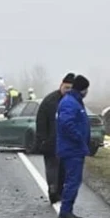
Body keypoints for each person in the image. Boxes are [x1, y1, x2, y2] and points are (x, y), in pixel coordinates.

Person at [56, 75, 91, 218]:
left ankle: (66, 211)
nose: (87, 92)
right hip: (72, 149)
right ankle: (65, 212)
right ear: (82, 89)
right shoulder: (70, 103)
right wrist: (79, 138)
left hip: (74, 148)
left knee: (72, 180)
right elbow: (67, 124)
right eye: (86, 89)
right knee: (72, 181)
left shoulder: (74, 101)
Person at [36, 73, 75, 204]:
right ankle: (53, 190)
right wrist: (43, 139)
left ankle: (59, 191)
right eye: (66, 87)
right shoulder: (50, 101)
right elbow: (41, 121)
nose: (68, 91)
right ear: (61, 86)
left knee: (63, 169)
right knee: (52, 168)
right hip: (51, 142)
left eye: (71, 88)